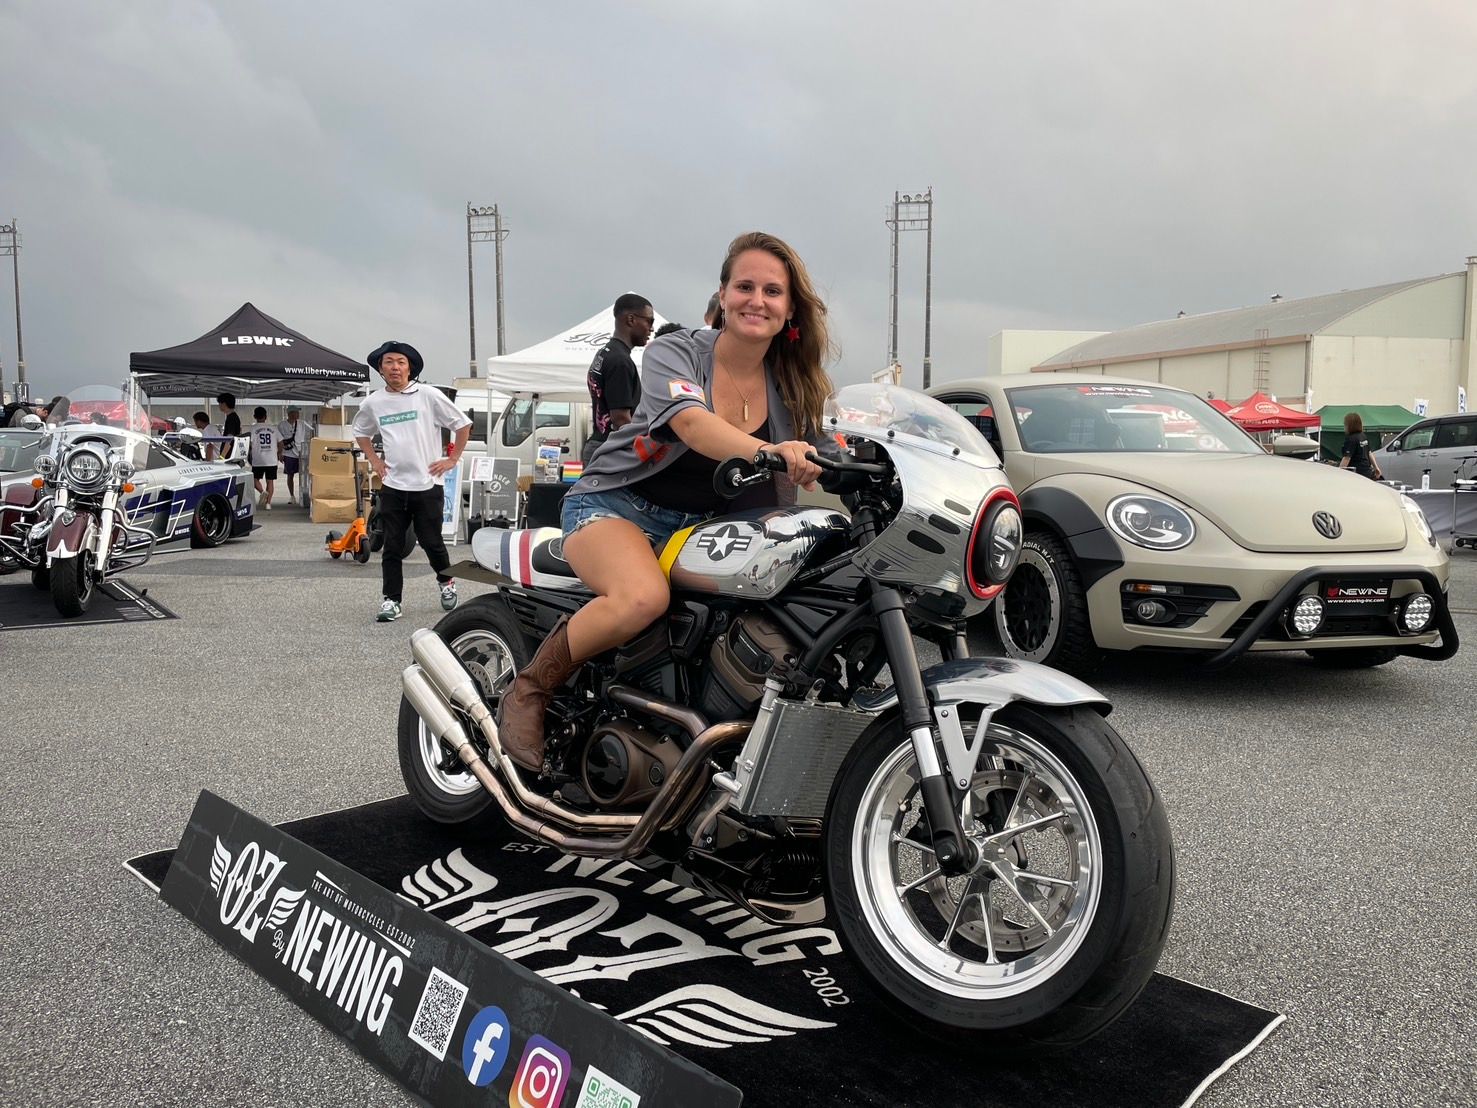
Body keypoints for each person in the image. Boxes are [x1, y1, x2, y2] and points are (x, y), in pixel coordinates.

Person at [498, 231, 833, 772]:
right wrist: (769, 451)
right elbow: (692, 424)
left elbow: (824, 447)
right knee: (641, 598)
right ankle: (530, 688)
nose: (757, 300)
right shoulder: (675, 352)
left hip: (703, 530)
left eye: (773, 291)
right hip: (618, 505)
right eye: (745, 286)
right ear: (722, 294)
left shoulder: (793, 385)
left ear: (790, 308)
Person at [352, 341, 471, 623]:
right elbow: (361, 431)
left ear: (410, 368)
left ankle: (446, 582)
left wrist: (452, 459)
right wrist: (375, 461)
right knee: (392, 546)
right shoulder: (373, 402)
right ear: (381, 368)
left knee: (432, 543)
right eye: (389, 362)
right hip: (394, 486)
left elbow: (462, 424)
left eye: (401, 362)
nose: (395, 367)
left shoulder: (427, 395)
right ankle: (391, 600)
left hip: (427, 485)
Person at [581, 293, 655, 465]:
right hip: (611, 451)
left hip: (599, 444)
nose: (651, 329)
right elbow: (621, 419)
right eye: (649, 321)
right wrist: (642, 450)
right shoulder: (620, 361)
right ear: (631, 320)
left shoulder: (605, 353)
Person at [248, 406, 281, 510]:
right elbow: (281, 442)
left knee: (254, 479)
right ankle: (268, 504)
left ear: (254, 416)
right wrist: (279, 452)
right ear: (266, 416)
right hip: (271, 459)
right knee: (270, 481)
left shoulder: (253, 429)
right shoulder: (274, 428)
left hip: (258, 459)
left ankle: (262, 492)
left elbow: (249, 443)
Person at [1339, 411, 1382, 480]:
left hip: (1357, 474)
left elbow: (1346, 458)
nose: (1344, 427)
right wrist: (1376, 467)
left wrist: (1339, 473)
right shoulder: (1363, 436)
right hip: (1367, 472)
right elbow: (1369, 452)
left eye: (1345, 424)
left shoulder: (1351, 439)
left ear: (1349, 425)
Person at [278, 405, 308, 503]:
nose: (298, 414)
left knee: (304, 475)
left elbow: (305, 437)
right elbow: (279, 440)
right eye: (296, 412)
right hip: (288, 453)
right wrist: (280, 453)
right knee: (290, 475)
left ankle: (304, 494)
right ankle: (292, 496)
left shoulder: (302, 424)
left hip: (301, 452)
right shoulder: (282, 425)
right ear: (290, 413)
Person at [217, 393, 241, 459]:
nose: (219, 405)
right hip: (231, 454)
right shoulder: (232, 417)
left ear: (224, 404)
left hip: (229, 456)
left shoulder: (231, 418)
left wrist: (222, 456)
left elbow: (229, 438)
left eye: (220, 403)